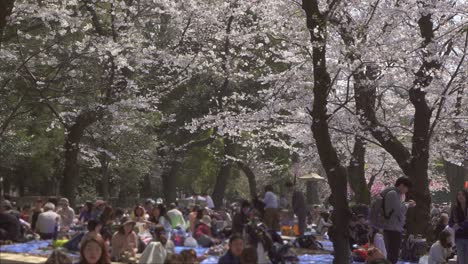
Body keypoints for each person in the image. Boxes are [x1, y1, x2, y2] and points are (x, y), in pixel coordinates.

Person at [379, 176, 415, 264]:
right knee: (393, 255)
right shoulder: (393, 194)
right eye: (407, 188)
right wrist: (408, 205)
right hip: (392, 228)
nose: (407, 190)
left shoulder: (396, 194)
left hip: (393, 227)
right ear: (402, 185)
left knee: (393, 254)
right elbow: (398, 211)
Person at [449, 190, 468, 264]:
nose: (460, 196)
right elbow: (450, 222)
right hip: (459, 237)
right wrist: (453, 225)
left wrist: (459, 225)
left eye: (462, 195)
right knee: (461, 260)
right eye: (459, 194)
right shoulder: (455, 208)